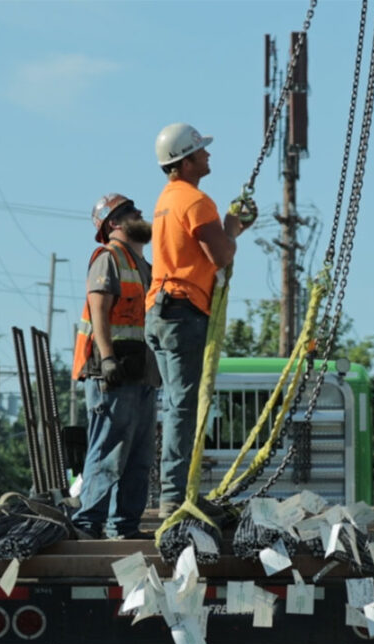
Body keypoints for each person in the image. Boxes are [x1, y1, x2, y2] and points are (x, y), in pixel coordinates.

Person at [145, 122, 257, 518]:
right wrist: (231, 226)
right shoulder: (195, 201)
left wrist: (230, 228)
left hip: (160, 311)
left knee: (178, 404)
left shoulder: (167, 199)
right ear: (185, 160)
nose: (208, 155)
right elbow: (221, 256)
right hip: (182, 312)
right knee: (183, 407)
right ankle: (175, 497)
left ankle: (178, 492)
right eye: (202, 151)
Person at [71, 192, 159, 539]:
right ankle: (88, 525)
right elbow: (99, 309)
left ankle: (124, 526)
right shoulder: (108, 258)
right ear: (114, 224)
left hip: (141, 374)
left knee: (139, 457)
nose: (139, 213)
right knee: (108, 451)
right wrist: (107, 359)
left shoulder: (142, 264)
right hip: (115, 373)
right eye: (129, 211)